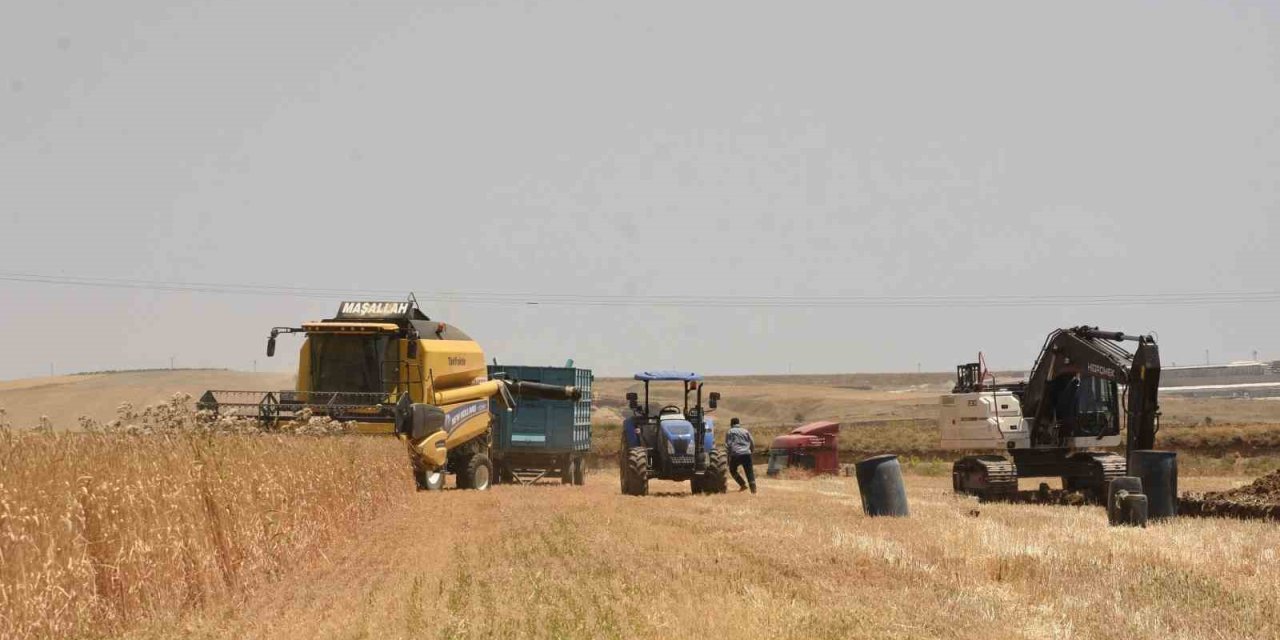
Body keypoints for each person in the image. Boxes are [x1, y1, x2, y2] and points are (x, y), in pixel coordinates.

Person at [725, 417, 756, 493]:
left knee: (732, 470)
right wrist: (750, 451)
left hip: (736, 454)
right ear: (739, 423)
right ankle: (753, 490)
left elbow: (728, 445)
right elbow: (752, 442)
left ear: (731, 424)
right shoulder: (745, 431)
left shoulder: (730, 432)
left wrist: (729, 456)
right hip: (746, 454)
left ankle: (742, 485)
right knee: (749, 472)